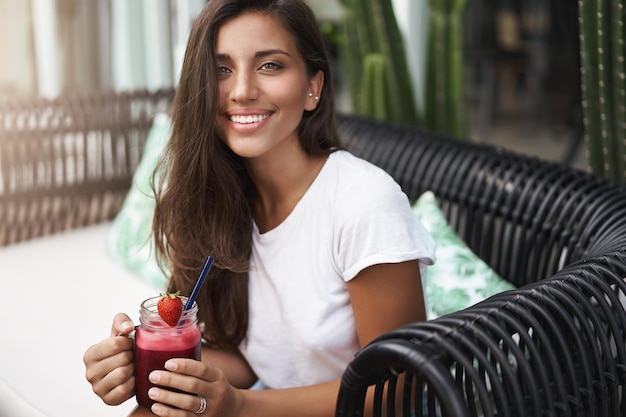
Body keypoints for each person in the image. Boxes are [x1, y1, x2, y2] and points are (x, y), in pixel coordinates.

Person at [83, 0, 436, 416]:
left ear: (313, 87)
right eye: (221, 69)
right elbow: (246, 359)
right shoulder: (215, 198)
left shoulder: (363, 203)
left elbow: (399, 388)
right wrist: (144, 364)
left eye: (270, 65)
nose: (242, 90)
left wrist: (238, 406)